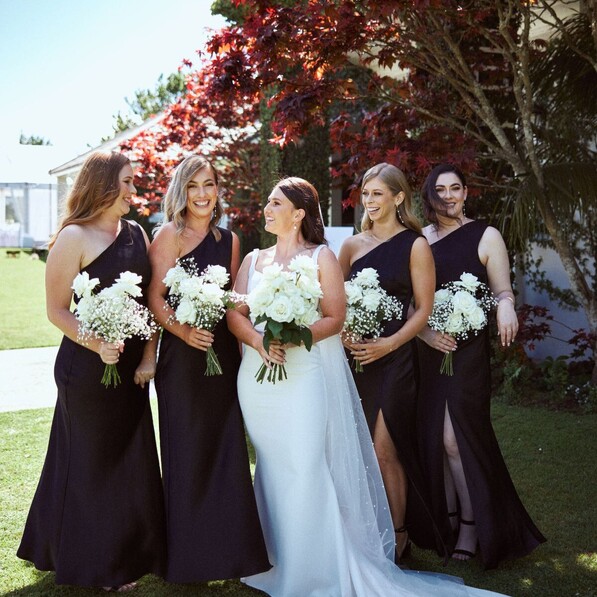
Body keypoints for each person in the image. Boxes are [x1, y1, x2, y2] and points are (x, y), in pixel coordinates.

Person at [227, 176, 510, 597]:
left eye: (275, 203)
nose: (266, 209)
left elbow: (343, 311)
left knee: (339, 457)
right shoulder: (264, 257)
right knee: (274, 463)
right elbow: (239, 313)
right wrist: (259, 340)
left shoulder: (343, 253)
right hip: (273, 376)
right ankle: (274, 554)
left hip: (370, 360)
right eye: (367, 193)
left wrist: (300, 335)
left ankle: (362, 547)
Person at [17, 151, 166, 591]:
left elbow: (148, 303)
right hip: (85, 368)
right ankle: (98, 564)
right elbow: (57, 310)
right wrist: (98, 344)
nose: (134, 189)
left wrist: (148, 356)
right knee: (92, 462)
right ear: (103, 184)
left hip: (131, 370)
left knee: (127, 460)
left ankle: (128, 552)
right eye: (127, 181)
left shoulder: (137, 233)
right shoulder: (73, 237)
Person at [416, 164, 546, 569]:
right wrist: (425, 334)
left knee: (456, 439)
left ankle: (473, 526)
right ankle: (450, 520)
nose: (449, 196)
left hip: (468, 351)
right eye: (440, 190)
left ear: (466, 193)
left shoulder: (486, 235)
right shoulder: (420, 239)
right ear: (430, 195)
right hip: (429, 350)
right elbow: (411, 300)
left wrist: (506, 307)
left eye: (456, 188)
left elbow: (502, 289)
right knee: (435, 439)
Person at [147, 154, 270, 583]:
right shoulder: (169, 235)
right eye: (193, 185)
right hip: (182, 361)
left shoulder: (229, 239)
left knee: (226, 451)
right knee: (188, 452)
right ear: (181, 191)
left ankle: (232, 555)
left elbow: (232, 302)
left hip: (222, 358)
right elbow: (155, 298)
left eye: (209, 185)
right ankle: (188, 558)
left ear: (218, 190)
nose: (202, 194)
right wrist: (183, 331)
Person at [338, 163, 444, 562]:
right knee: (358, 449)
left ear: (399, 198)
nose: (369, 201)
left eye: (378, 194)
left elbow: (423, 309)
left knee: (385, 448)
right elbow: (333, 302)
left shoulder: (415, 245)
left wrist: (389, 344)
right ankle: (368, 530)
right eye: (366, 194)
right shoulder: (351, 246)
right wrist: (345, 335)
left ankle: (400, 536)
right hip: (356, 359)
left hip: (395, 358)